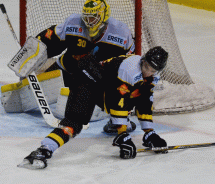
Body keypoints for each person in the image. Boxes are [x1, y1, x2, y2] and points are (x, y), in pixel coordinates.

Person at [17, 46, 169, 169]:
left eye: (152, 70)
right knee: (75, 122)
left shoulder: (152, 77)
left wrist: (150, 133)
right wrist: (122, 134)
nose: (147, 71)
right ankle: (43, 150)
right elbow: (118, 102)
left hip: (106, 86)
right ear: (143, 60)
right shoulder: (130, 69)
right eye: (146, 66)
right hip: (88, 82)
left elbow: (144, 103)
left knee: (137, 95)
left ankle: (115, 125)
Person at [34, 0, 136, 131]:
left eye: (93, 17)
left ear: (103, 17)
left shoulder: (121, 33)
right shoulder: (73, 22)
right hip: (67, 69)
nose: (89, 21)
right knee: (38, 90)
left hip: (96, 79)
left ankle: (117, 115)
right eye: (86, 17)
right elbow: (51, 36)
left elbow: (129, 63)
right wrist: (34, 47)